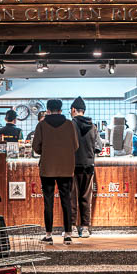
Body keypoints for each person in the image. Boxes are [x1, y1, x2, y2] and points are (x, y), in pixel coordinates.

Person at [31, 99, 78, 245]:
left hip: (47, 169)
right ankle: (68, 235)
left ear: (48, 109)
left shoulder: (42, 125)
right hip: (66, 168)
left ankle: (49, 235)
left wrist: (46, 151)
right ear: (61, 109)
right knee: (66, 201)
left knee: (48, 202)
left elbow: (36, 147)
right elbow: (75, 145)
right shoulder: (70, 124)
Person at [69, 97, 102, 238]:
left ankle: (72, 227)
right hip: (88, 167)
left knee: (72, 197)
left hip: (72, 166)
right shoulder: (93, 127)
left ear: (73, 110)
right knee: (85, 198)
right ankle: (85, 227)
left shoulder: (70, 125)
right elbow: (98, 147)